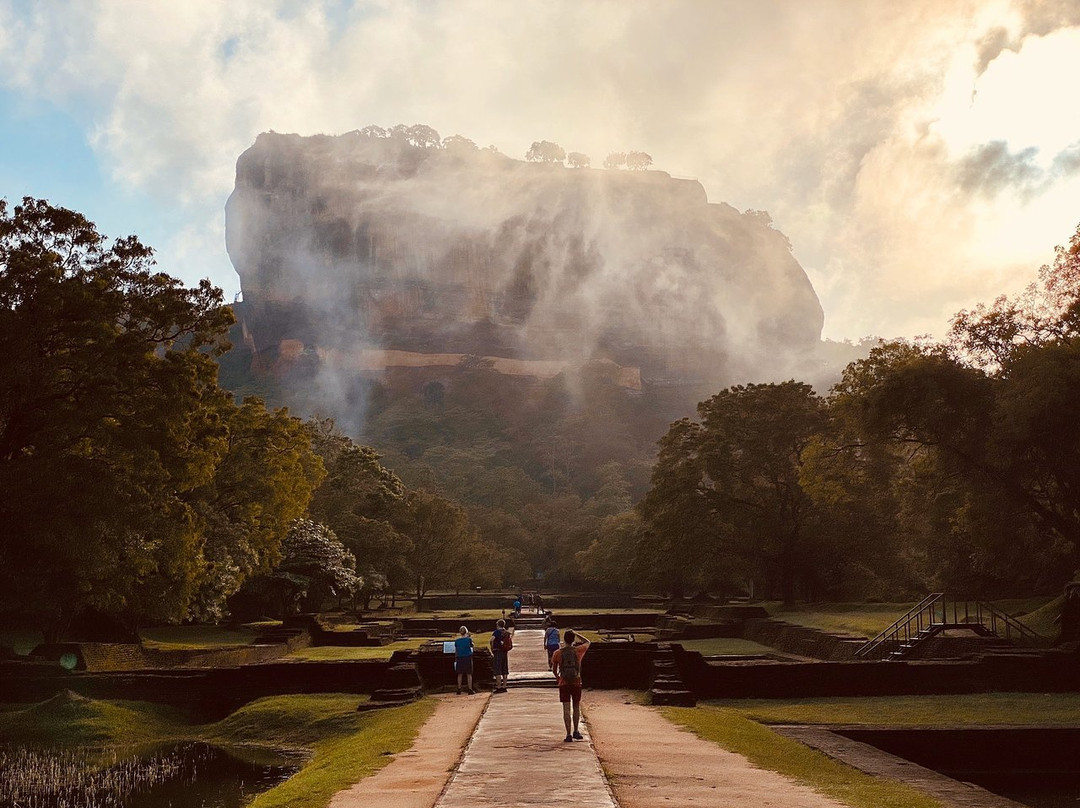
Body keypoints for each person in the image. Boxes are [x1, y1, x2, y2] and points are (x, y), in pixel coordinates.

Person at [551, 630, 591, 742]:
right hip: (576, 682)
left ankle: (568, 734)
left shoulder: (558, 653)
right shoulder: (578, 650)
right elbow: (588, 642)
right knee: (576, 707)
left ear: (564, 639)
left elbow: (554, 670)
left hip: (564, 683)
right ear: (573, 640)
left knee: (566, 709)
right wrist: (577, 633)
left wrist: (558, 678)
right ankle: (576, 731)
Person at [490, 618, 512, 693]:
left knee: (498, 669)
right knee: (504, 669)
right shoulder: (506, 632)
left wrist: (492, 648)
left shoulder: (496, 632)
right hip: (504, 651)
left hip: (498, 651)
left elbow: (491, 640)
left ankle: (499, 686)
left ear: (497, 625)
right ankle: (504, 686)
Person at [454, 626, 475, 695]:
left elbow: (456, 651)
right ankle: (470, 688)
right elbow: (472, 645)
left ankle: (459, 688)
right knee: (469, 673)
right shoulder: (468, 639)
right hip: (467, 657)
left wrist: (456, 658)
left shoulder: (457, 641)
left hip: (460, 657)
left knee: (460, 674)